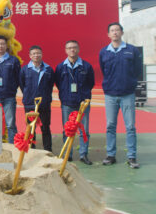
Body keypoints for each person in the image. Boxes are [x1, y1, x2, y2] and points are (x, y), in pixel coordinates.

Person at [99, 22, 142, 169]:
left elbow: (137, 70)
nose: (115, 33)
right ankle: (111, 155)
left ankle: (132, 156)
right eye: (112, 31)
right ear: (108, 35)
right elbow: (104, 70)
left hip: (127, 94)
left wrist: (129, 83)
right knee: (110, 125)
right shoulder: (104, 52)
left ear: (122, 33)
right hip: (110, 94)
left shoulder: (131, 50)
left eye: (117, 30)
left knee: (130, 126)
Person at [55, 40, 95, 164]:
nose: (72, 50)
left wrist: (84, 96)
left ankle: (83, 155)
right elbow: (58, 83)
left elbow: (91, 83)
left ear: (78, 49)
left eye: (74, 47)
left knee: (84, 130)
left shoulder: (86, 66)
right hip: (67, 103)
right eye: (69, 48)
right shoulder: (61, 67)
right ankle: (68, 154)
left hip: (82, 104)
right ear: (65, 50)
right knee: (67, 130)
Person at [20, 45, 55, 152]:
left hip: (44, 103)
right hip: (29, 103)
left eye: (38, 53)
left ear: (42, 54)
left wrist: (45, 96)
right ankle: (31, 149)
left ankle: (48, 150)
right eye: (34, 53)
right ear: (30, 56)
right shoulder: (25, 70)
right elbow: (22, 85)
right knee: (31, 128)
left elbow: (50, 85)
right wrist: (29, 95)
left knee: (45, 127)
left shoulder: (48, 69)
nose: (36, 55)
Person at [0, 35, 21, 143]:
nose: (0, 46)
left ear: (6, 46)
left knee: (10, 123)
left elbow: (18, 77)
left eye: (2, 44)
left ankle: (13, 148)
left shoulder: (13, 60)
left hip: (9, 96)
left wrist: (11, 89)